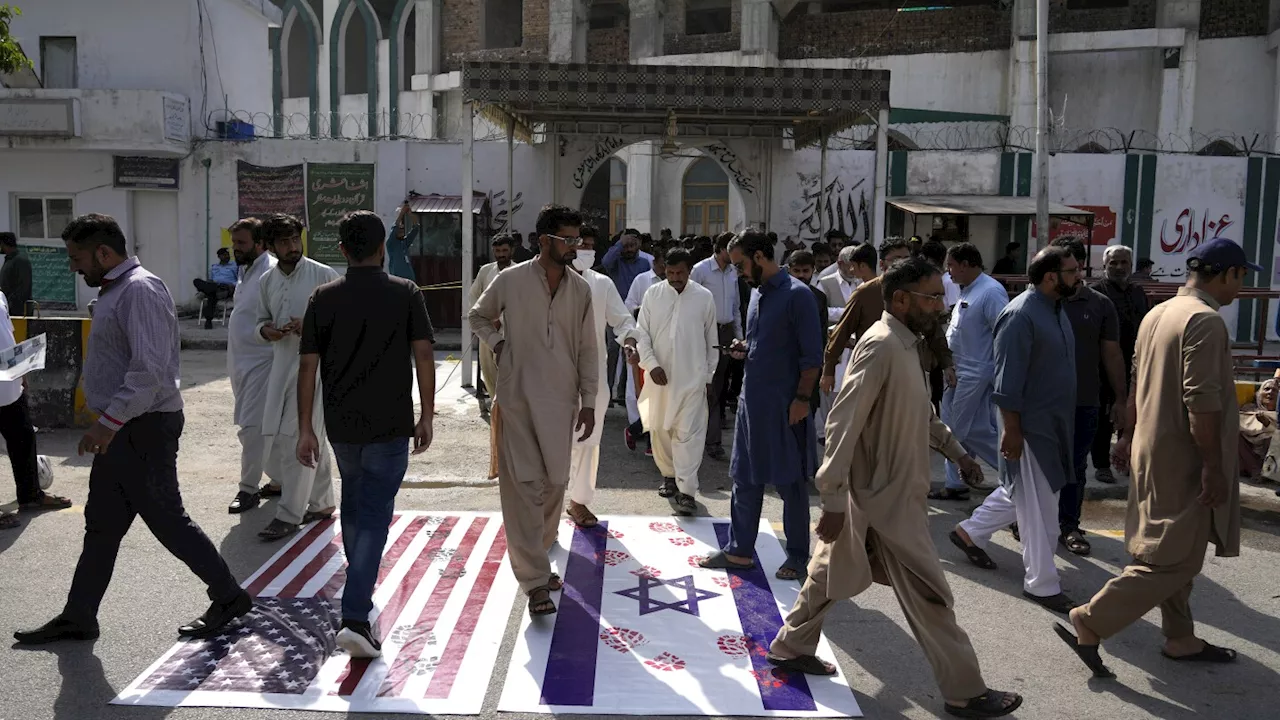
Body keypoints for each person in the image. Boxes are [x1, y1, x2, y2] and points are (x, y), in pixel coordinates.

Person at [768, 256, 1021, 719]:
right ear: (902, 299)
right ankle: (965, 692)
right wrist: (831, 500)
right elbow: (843, 424)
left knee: (827, 575)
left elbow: (921, 415)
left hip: (890, 495)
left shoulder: (910, 345)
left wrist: (958, 453)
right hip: (883, 501)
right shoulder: (881, 346)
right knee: (931, 595)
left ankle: (789, 646)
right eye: (932, 297)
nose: (941, 305)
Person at [15, 214, 250, 645]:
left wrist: (107, 424)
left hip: (142, 427)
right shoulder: (115, 290)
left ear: (104, 253)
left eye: (77, 258)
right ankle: (79, 615)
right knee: (102, 524)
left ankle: (229, 596)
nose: (73, 267)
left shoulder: (140, 290)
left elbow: (148, 371)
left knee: (167, 520)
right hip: (126, 427)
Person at [1057, 237, 1249, 678]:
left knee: (1171, 549)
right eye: (1240, 278)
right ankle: (1092, 618)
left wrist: (1126, 436)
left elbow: (1139, 378)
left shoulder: (1158, 313)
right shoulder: (1204, 321)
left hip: (1151, 448)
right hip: (1184, 458)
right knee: (1173, 559)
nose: (1239, 288)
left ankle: (1180, 637)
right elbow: (1200, 402)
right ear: (1228, 274)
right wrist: (1215, 468)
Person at [297, 210, 436, 658]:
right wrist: (427, 414)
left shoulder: (322, 297)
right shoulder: (406, 293)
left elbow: (307, 368)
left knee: (356, 507)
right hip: (390, 424)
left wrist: (305, 428)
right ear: (383, 248)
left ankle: (359, 597)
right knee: (373, 515)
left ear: (342, 251)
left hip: (341, 427)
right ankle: (355, 614)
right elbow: (424, 356)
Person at [468, 204, 598, 616]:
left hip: (561, 402)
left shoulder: (580, 289)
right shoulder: (510, 280)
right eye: (567, 239)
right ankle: (535, 582)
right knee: (523, 486)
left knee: (554, 484)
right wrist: (500, 344)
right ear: (544, 240)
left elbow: (587, 350)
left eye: (577, 239)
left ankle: (537, 560)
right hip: (518, 398)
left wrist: (590, 402)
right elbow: (477, 316)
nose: (574, 246)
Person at [951, 246, 1078, 615]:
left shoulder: (1055, 309)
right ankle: (1042, 583)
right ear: (1051, 276)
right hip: (1032, 427)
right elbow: (1007, 382)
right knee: (1040, 508)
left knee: (1021, 493)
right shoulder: (1020, 315)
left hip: (1055, 424)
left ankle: (970, 533)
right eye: (1071, 270)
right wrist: (1012, 430)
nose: (1078, 275)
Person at [699, 231, 823, 582]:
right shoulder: (757, 293)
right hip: (751, 405)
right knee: (744, 478)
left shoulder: (798, 296)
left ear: (759, 256)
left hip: (786, 407)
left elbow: (812, 358)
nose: (737, 271)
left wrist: (801, 400)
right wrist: (744, 347)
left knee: (792, 484)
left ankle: (798, 555)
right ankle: (739, 551)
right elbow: (762, 342)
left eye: (740, 264)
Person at [251, 214, 341, 542]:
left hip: (317, 371)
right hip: (281, 365)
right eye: (284, 242)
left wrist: (312, 328)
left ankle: (289, 514)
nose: (291, 247)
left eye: (295, 240)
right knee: (294, 437)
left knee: (298, 439)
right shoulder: (267, 282)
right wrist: (268, 331)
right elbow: (259, 320)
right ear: (270, 246)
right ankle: (321, 503)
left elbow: (343, 327)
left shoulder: (324, 275)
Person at [1051, 238, 1127, 557]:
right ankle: (1028, 520)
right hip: (1043, 403)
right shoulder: (1040, 301)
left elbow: (1111, 353)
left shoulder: (1099, 304)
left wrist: (1122, 399)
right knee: (1037, 465)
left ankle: (1068, 525)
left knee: (1075, 467)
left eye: (1073, 266)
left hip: (1084, 401)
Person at [635, 247, 718, 515]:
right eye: (669, 272)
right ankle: (669, 476)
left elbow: (711, 340)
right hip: (659, 378)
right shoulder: (653, 294)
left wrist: (708, 376)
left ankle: (687, 492)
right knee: (661, 430)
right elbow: (642, 335)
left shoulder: (703, 297)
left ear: (690, 270)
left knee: (689, 435)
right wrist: (651, 364)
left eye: (679, 272)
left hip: (692, 379)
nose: (674, 277)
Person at [565, 225, 637, 528]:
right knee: (551, 442)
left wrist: (630, 342)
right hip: (553, 375)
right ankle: (546, 507)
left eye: (591, 245)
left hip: (593, 376)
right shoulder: (549, 280)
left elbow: (622, 321)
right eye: (581, 244)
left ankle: (578, 502)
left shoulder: (602, 283)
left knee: (588, 441)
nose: (587, 250)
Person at [933, 243, 1008, 502]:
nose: (948, 271)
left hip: (976, 373)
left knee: (962, 430)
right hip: (958, 371)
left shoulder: (991, 292)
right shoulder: (969, 290)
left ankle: (1014, 471)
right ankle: (956, 484)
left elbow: (1003, 334)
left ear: (965, 265)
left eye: (951, 266)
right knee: (964, 428)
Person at [225, 217, 282, 513]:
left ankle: (247, 490)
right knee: (265, 428)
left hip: (263, 363)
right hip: (241, 364)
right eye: (234, 243)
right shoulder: (246, 270)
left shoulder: (271, 272)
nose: (236, 248)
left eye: (242, 243)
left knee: (252, 429)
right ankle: (280, 481)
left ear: (259, 243)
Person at [0, 287, 69, 531]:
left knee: (23, 436)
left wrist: (22, 370)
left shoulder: (0, 295)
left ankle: (30, 496)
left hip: (7, 381)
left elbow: (7, 334)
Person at [819, 238, 915, 396]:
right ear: (882, 264)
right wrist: (829, 371)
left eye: (906, 259)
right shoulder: (865, 293)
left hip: (906, 371)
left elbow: (930, 328)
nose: (903, 264)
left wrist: (945, 363)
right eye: (896, 259)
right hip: (871, 368)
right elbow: (841, 332)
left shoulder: (917, 294)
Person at [1089, 245, 1150, 484]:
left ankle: (1125, 459)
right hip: (1104, 364)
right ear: (1104, 265)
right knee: (1105, 414)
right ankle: (1102, 464)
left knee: (1133, 413)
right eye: (1113, 263)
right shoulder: (1095, 293)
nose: (1119, 267)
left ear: (1131, 265)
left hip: (1134, 362)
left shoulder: (1138, 292)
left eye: (1124, 262)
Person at [690, 233, 743, 461]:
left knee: (717, 386)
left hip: (726, 332)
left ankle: (713, 441)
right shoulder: (700, 270)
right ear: (721, 249)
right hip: (702, 333)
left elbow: (736, 307)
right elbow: (689, 304)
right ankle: (692, 438)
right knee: (699, 386)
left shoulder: (733, 272)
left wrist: (739, 337)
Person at [623, 252, 666, 454]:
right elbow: (628, 307)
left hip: (665, 348)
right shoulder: (642, 281)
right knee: (647, 396)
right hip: (644, 348)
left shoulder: (675, 286)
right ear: (655, 262)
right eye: (663, 263)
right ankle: (644, 436)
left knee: (662, 399)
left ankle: (641, 433)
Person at [469, 233, 516, 411]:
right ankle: (497, 408)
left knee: (508, 370)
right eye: (497, 251)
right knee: (488, 371)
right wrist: (484, 321)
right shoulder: (485, 271)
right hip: (487, 330)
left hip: (511, 332)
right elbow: (474, 296)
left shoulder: (520, 272)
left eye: (505, 250)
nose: (501, 255)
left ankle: (509, 408)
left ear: (512, 250)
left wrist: (501, 321)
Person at [192, 247, 239, 329]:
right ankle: (210, 290)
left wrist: (231, 285)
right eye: (224, 255)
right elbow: (210, 280)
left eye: (228, 255)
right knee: (197, 281)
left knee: (211, 293)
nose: (227, 256)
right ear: (219, 257)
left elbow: (239, 280)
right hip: (215, 287)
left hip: (226, 288)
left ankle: (208, 320)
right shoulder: (214, 267)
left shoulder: (235, 266)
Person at [385, 199, 419, 283]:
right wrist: (402, 213)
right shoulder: (391, 244)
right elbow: (395, 227)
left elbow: (416, 228)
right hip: (397, 281)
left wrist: (410, 214)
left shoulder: (404, 243)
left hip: (409, 281)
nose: (401, 231)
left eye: (403, 229)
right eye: (399, 230)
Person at [0, 232, 32, 315]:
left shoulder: (20, 261)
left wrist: (10, 305)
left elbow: (23, 287)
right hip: (7, 310)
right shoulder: (9, 260)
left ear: (3, 243)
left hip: (19, 312)